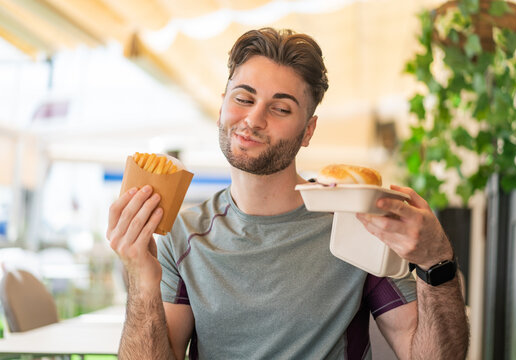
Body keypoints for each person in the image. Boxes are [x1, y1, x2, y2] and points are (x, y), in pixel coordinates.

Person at [107, 28, 469, 359]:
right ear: (222, 106)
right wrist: (141, 279)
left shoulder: (358, 223)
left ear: (308, 131)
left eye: (280, 108)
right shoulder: (181, 235)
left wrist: (437, 261)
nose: (253, 119)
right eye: (243, 98)